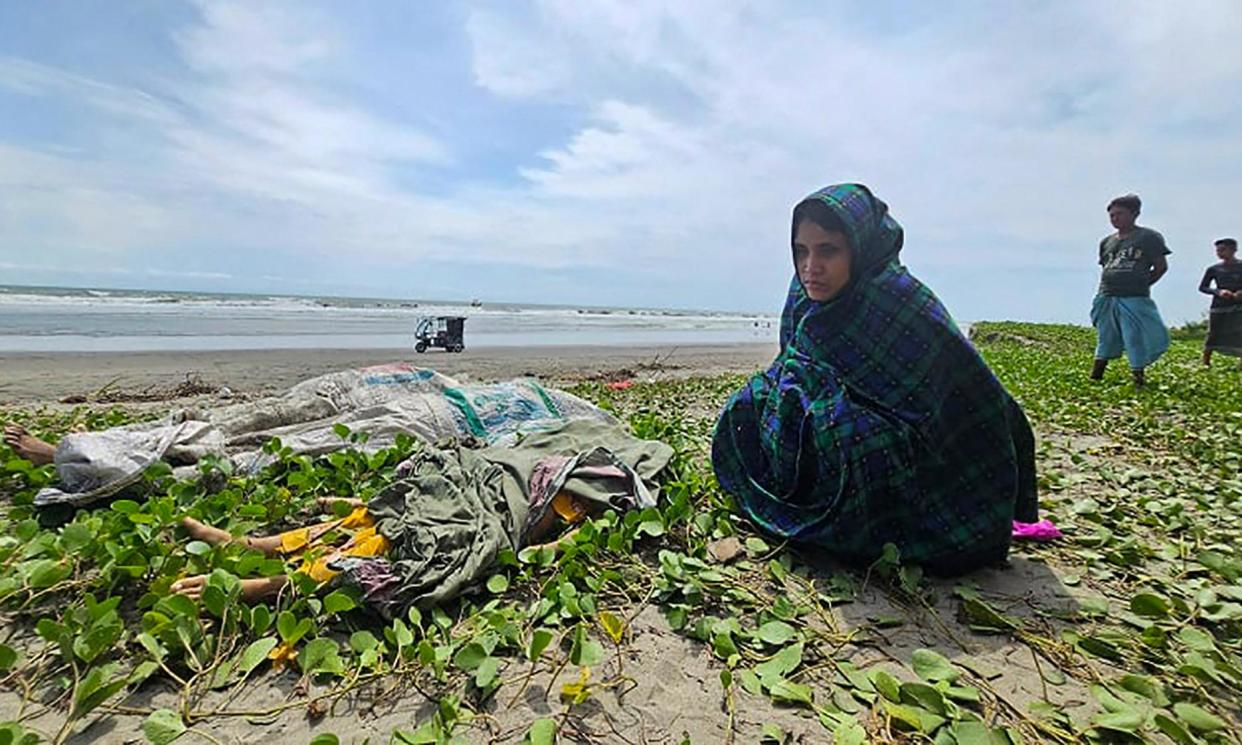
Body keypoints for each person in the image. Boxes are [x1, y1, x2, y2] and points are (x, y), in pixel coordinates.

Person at [711, 183, 1038, 575]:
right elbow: (793, 362)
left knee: (848, 438)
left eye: (827, 250)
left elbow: (977, 397)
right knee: (746, 407)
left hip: (901, 443)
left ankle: (855, 534)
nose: (810, 266)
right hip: (814, 412)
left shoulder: (900, 299)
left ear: (860, 246)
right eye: (801, 251)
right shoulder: (803, 294)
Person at [1089, 194, 1171, 387]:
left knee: (1133, 335)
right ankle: (1096, 375)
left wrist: (1143, 283)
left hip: (1134, 296)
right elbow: (1106, 267)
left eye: (1120, 214)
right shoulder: (1107, 242)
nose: (1115, 218)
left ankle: (1138, 377)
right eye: (1112, 215)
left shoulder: (1149, 237)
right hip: (1107, 295)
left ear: (1135, 214)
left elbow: (1160, 267)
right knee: (1105, 335)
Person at [1198, 237, 1242, 367]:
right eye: (1217, 251)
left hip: (1239, 305)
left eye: (1223, 250)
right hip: (1219, 306)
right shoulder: (1213, 269)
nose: (1219, 253)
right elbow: (1203, 287)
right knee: (1213, 333)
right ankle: (1206, 362)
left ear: (1234, 250)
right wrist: (1219, 292)